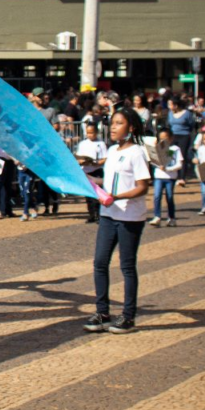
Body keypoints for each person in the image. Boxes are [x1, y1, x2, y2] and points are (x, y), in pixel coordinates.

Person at [84, 107, 151, 335]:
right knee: (100, 262)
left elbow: (142, 187)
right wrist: (90, 179)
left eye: (119, 123)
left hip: (129, 216)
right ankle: (102, 312)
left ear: (131, 127)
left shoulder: (137, 153)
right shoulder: (112, 150)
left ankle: (128, 316)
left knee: (127, 266)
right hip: (108, 215)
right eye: (112, 123)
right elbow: (108, 180)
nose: (113, 127)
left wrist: (117, 197)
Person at [149, 128, 183, 227]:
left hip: (170, 177)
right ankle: (157, 216)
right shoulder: (157, 148)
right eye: (161, 138)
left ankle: (171, 217)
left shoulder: (175, 149)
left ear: (171, 138)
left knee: (169, 197)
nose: (163, 140)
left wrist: (168, 169)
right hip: (159, 176)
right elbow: (152, 161)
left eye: (165, 138)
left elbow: (179, 164)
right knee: (157, 196)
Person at [75, 123, 108, 223]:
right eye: (88, 133)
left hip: (96, 170)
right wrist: (81, 161)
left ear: (96, 132)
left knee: (97, 194)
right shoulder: (83, 144)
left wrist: (97, 163)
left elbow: (105, 158)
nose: (90, 135)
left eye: (92, 133)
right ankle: (91, 214)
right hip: (86, 170)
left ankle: (99, 214)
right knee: (88, 195)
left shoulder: (101, 144)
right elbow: (78, 156)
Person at [167, 98, 197, 179]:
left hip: (184, 136)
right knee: (170, 154)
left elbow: (192, 124)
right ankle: (171, 174)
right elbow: (168, 124)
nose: (169, 106)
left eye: (170, 104)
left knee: (182, 156)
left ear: (176, 105)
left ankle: (182, 177)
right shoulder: (170, 113)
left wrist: (187, 131)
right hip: (173, 136)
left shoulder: (187, 113)